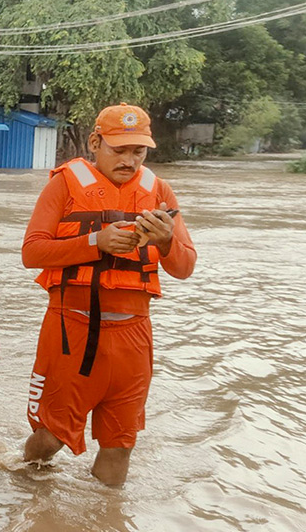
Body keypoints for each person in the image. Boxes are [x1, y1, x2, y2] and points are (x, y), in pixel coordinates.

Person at [21, 103, 196, 485]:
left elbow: (184, 267)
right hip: (71, 330)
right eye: (119, 150)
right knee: (50, 439)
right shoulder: (64, 185)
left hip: (134, 337)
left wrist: (167, 242)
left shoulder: (159, 191)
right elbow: (31, 252)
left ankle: (106, 528)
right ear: (95, 142)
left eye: (139, 151)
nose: (130, 160)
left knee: (120, 444)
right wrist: (94, 241)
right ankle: (21, 485)